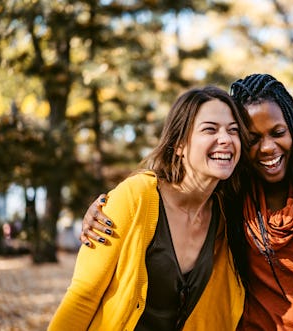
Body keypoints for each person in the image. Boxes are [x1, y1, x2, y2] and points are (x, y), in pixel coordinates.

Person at [81, 74, 293, 330]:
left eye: (278, 132)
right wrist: (104, 208)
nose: (267, 147)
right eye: (253, 138)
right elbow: (175, 189)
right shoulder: (229, 194)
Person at [49, 86, 250, 331]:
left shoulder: (226, 220)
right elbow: (82, 296)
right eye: (210, 129)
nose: (226, 139)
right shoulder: (136, 197)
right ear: (179, 145)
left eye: (233, 131)